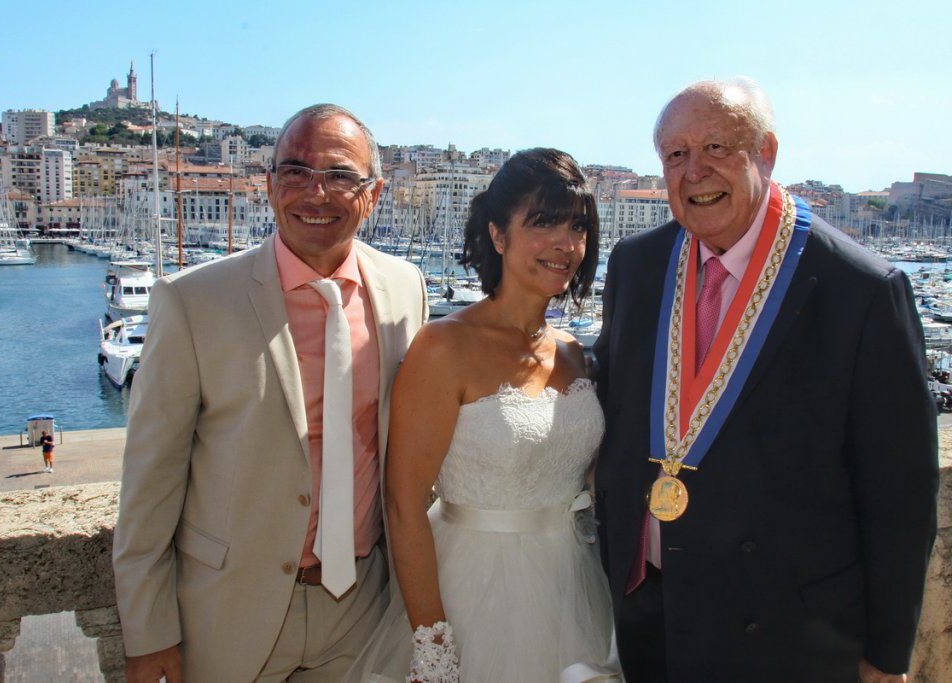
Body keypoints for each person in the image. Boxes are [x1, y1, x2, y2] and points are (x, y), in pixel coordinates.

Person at [593, 77, 939, 683]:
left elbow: (899, 492)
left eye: (717, 147)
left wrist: (887, 654)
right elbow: (618, 408)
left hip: (788, 634)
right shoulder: (637, 265)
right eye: (676, 154)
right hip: (653, 612)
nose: (694, 170)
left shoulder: (859, 289)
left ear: (767, 152)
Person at [112, 104, 429, 683]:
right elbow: (149, 481)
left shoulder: (405, 289)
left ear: (374, 193)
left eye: (340, 175)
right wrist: (148, 630)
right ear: (269, 185)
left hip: (364, 609)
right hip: (230, 612)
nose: (316, 193)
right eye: (296, 172)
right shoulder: (193, 302)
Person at [345, 148, 621, 682]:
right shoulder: (443, 347)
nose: (566, 245)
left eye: (578, 227)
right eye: (543, 223)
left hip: (575, 583)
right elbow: (403, 505)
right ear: (498, 235)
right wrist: (434, 646)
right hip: (473, 591)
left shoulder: (571, 352)